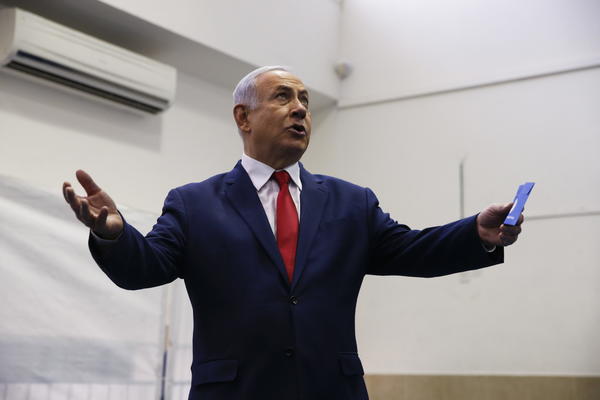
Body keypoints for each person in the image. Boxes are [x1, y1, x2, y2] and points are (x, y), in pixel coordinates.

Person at [62, 66, 524, 400]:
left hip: (333, 389)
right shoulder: (194, 203)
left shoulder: (351, 202)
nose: (300, 108)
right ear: (243, 117)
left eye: (304, 100)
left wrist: (476, 233)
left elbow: (413, 250)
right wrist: (112, 234)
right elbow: (146, 268)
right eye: (283, 97)